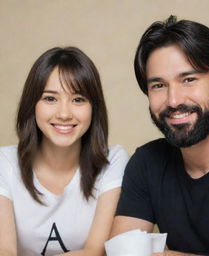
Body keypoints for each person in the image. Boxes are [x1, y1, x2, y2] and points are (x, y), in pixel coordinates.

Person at [111, 15, 209, 256]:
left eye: (188, 80)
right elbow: (123, 252)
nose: (174, 100)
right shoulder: (146, 163)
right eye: (158, 85)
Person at [0, 47, 129, 256]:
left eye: (78, 99)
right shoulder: (4, 162)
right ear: (32, 104)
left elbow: (95, 252)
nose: (64, 114)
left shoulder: (113, 161)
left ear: (94, 108)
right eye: (50, 98)